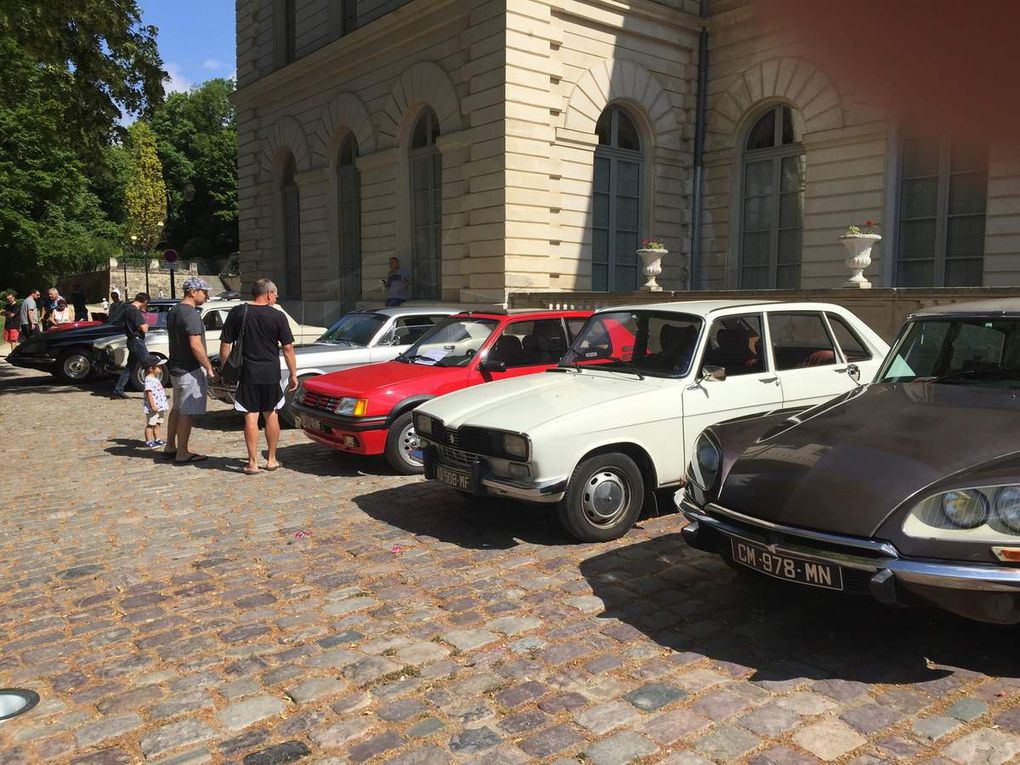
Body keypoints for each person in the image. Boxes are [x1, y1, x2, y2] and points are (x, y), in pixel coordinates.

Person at [219, 278, 297, 475]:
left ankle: (252, 462)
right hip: (270, 373)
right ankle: (271, 459)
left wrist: (225, 370)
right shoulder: (278, 316)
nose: (276, 297)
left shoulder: (238, 312)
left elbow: (225, 344)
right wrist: (294, 374)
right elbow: (287, 348)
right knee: (271, 413)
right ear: (269, 293)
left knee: (251, 416)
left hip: (247, 373)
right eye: (276, 294)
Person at [162, 277, 215, 463]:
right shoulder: (191, 314)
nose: (207, 295)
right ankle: (182, 452)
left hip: (176, 367)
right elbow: (195, 344)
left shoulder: (174, 310)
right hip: (189, 369)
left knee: (177, 408)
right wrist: (208, 367)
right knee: (187, 411)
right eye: (204, 292)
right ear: (193, 292)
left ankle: (170, 445)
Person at [112, 292, 151, 398]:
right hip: (137, 341)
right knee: (149, 365)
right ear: (145, 301)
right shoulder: (135, 311)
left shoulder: (128, 309)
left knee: (130, 367)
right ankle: (153, 391)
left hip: (131, 340)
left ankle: (118, 389)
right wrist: (146, 324)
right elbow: (144, 328)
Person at [142, 356, 169, 448]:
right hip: (153, 407)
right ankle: (148, 441)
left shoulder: (155, 378)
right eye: (158, 367)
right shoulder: (149, 380)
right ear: (151, 369)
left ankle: (157, 439)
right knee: (151, 424)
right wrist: (152, 405)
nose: (160, 368)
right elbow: (149, 393)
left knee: (158, 423)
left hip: (159, 406)